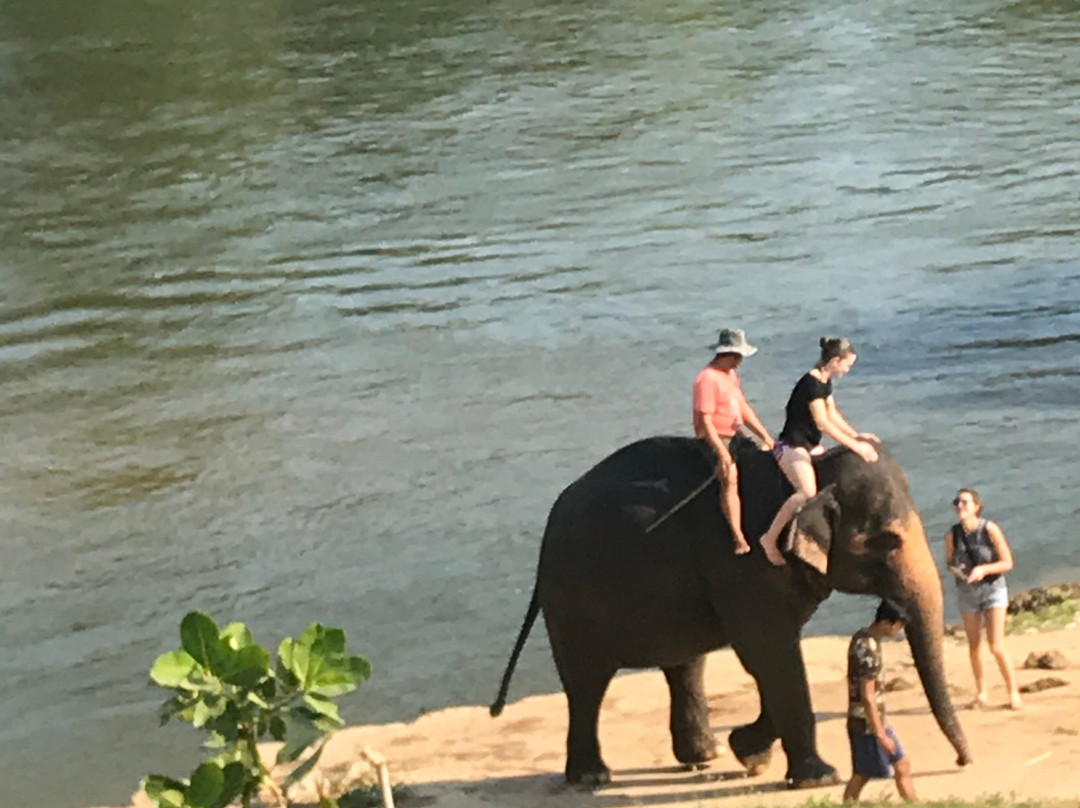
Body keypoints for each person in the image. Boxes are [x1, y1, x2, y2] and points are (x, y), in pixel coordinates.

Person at [758, 337, 880, 566]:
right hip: (792, 446)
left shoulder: (825, 382)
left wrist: (857, 436)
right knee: (806, 491)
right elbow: (822, 422)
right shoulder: (811, 384)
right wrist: (856, 447)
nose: (847, 370)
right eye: (847, 365)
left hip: (811, 445)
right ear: (835, 360)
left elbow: (833, 415)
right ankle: (769, 538)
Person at [692, 328, 774, 555]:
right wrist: (722, 453)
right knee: (730, 478)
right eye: (737, 356)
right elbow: (705, 421)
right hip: (716, 435)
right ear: (726, 354)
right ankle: (737, 535)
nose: (739, 362)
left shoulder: (730, 375)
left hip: (735, 432)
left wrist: (764, 435)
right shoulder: (706, 379)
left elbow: (742, 407)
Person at [945, 487, 1022, 710]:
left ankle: (1013, 692)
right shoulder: (952, 534)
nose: (960, 506)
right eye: (957, 502)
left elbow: (1007, 562)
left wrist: (984, 570)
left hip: (993, 590)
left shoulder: (989, 529)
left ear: (976, 507)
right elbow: (949, 561)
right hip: (967, 593)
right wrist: (959, 571)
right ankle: (981, 693)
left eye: (965, 502)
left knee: (996, 645)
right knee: (974, 646)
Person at [843, 599, 916, 803]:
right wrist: (880, 734)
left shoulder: (861, 636)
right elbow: (867, 695)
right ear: (886, 623)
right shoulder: (868, 648)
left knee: (902, 764)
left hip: (875, 722)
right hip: (867, 725)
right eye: (898, 625)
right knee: (862, 775)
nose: (898, 630)